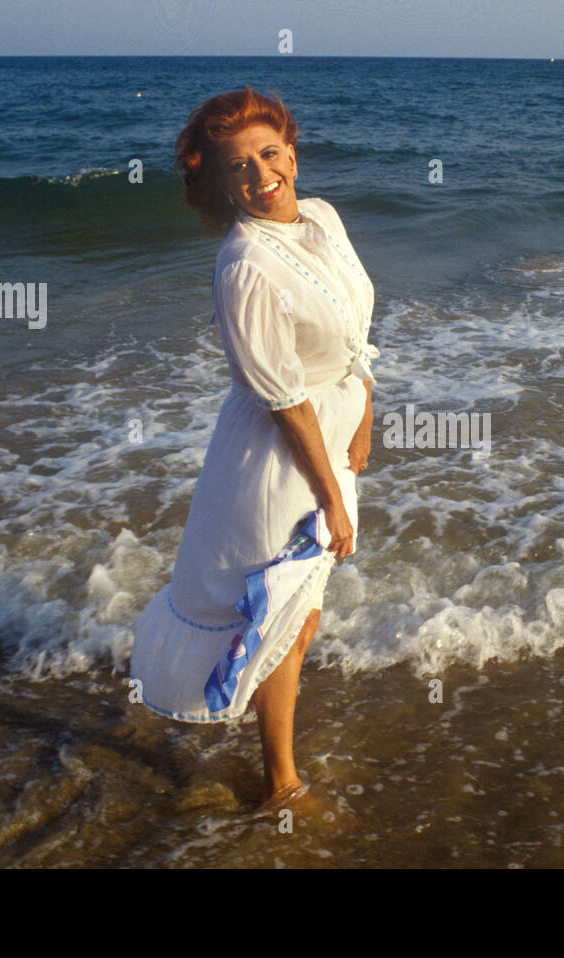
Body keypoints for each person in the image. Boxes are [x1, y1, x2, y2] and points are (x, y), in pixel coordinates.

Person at [130, 86, 378, 814]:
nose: (259, 174)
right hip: (277, 461)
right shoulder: (243, 266)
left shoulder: (323, 218)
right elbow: (282, 400)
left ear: (292, 153)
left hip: (329, 437)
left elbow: (354, 331)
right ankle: (281, 783)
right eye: (237, 166)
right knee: (278, 619)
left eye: (268, 153)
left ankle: (280, 766)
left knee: (303, 615)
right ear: (217, 183)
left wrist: (363, 411)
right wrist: (332, 496)